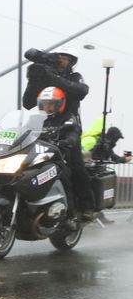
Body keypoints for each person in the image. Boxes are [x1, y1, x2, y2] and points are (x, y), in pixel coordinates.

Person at [23, 46, 95, 218]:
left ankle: (87, 207)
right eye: (59, 56)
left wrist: (53, 79)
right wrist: (33, 79)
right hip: (43, 125)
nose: (61, 59)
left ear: (71, 62)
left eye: (66, 57)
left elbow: (81, 91)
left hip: (68, 126)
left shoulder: (74, 77)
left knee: (75, 166)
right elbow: (27, 102)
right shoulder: (45, 76)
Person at [35, 87, 94, 220]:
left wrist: (68, 141)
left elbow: (73, 132)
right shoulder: (37, 119)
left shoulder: (68, 117)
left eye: (50, 104)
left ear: (59, 104)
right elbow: (25, 129)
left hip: (65, 154)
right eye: (44, 104)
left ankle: (78, 211)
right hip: (42, 155)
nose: (47, 107)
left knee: (73, 173)